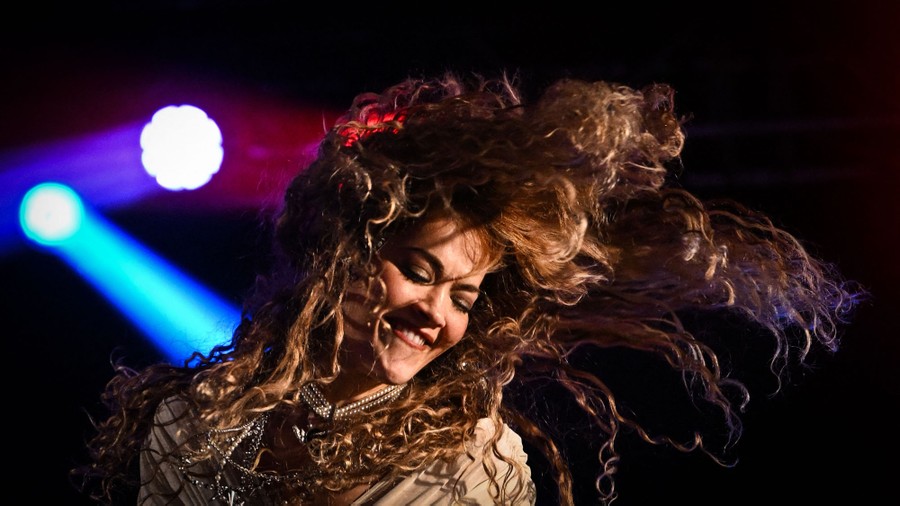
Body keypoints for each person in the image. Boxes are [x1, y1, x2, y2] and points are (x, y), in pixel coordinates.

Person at [72, 72, 861, 505]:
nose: (435, 313)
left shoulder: (476, 465)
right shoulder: (191, 422)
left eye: (465, 293)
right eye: (418, 271)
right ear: (342, 252)